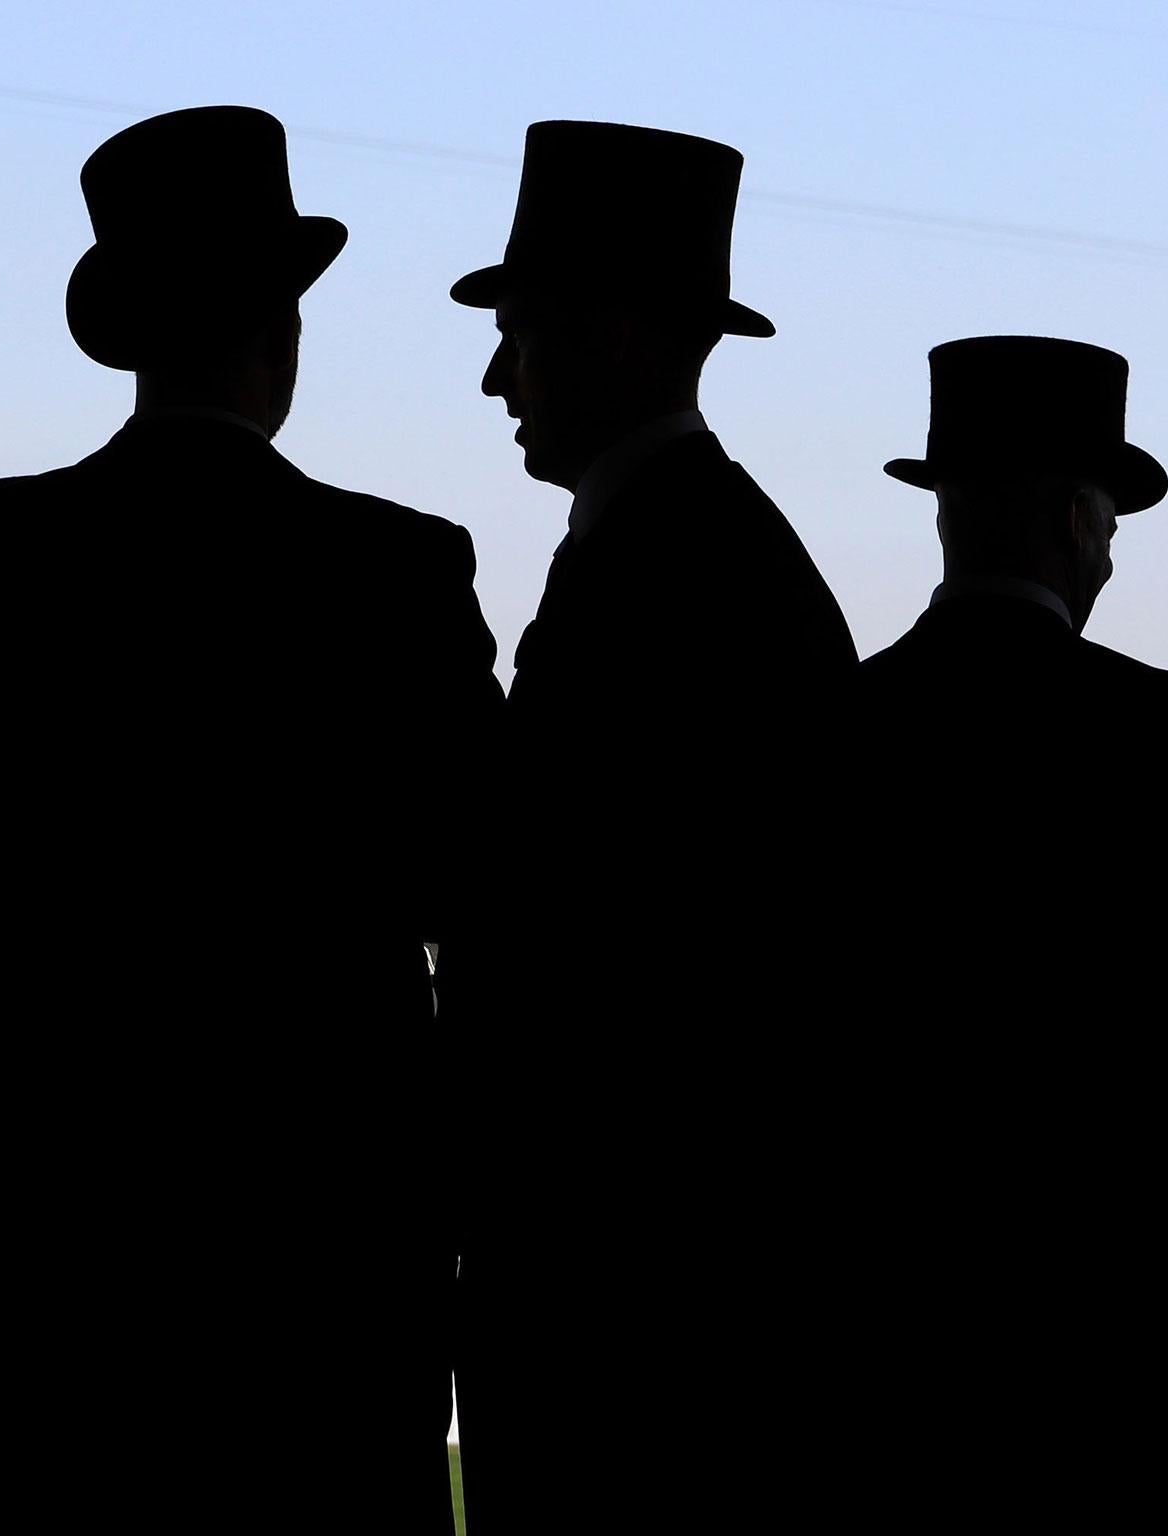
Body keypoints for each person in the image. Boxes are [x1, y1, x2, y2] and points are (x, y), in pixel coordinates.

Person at [0, 106, 503, 1532]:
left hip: (26, 1313)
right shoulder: (396, 576)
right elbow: (500, 914)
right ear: (279, 325)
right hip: (319, 1316)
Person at [446, 120, 857, 1534]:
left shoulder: (675, 575)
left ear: (614, 336)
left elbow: (580, 927)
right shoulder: (707, 552)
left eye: (522, 332)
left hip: (633, 1305)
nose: (496, 375)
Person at [848, 336, 1168, 1530]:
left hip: (897, 1325)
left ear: (944, 515)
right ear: (1077, 520)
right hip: (1129, 1324)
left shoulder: (840, 727)